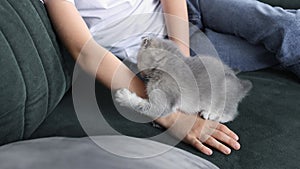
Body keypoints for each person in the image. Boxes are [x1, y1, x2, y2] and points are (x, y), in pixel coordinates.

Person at [43, 0, 299, 156]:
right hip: (152, 58)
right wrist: (169, 114)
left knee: (283, 27)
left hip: (189, 11)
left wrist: (183, 64)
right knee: (275, 46)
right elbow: (85, 51)